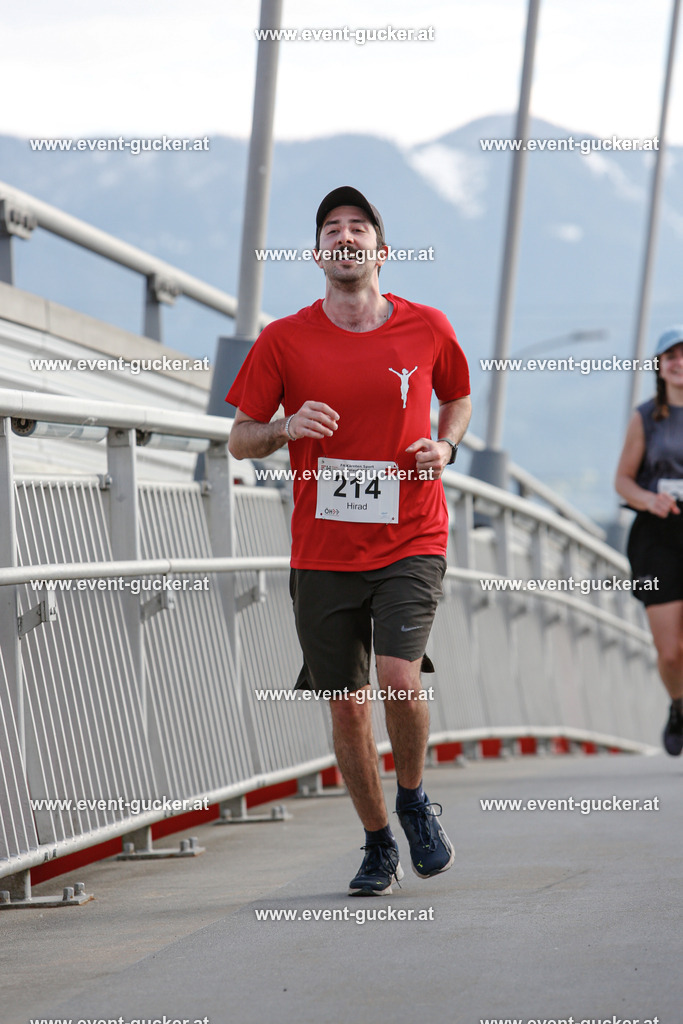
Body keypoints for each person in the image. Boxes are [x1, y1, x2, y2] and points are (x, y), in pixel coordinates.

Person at [227, 185, 471, 895]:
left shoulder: (427, 327)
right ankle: (375, 844)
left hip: (411, 534)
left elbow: (456, 397)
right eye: (331, 228)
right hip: (324, 550)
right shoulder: (284, 339)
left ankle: (414, 797)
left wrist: (446, 448)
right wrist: (282, 427)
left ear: (379, 251)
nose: (344, 236)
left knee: (398, 679)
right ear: (316, 255)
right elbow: (239, 439)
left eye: (357, 227)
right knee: (347, 704)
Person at [615, 325, 683, 756]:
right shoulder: (645, 416)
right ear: (660, 365)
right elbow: (622, 481)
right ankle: (678, 705)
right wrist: (647, 499)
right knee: (672, 652)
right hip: (657, 537)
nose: (679, 363)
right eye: (671, 356)